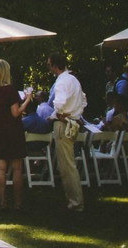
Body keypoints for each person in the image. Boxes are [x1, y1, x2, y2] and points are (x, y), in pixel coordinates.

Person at [0, 59, 30, 211]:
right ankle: (18, 202)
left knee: (1, 166)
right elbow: (15, 113)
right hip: (13, 129)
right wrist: (27, 100)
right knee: (17, 167)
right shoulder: (10, 90)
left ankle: (3, 201)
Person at [48, 52, 86, 212]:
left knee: (67, 165)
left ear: (55, 66)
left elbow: (60, 103)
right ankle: (73, 200)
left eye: (49, 65)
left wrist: (57, 114)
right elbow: (83, 100)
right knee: (68, 163)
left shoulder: (62, 81)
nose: (48, 68)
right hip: (72, 122)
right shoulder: (73, 80)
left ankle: (75, 202)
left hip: (64, 124)